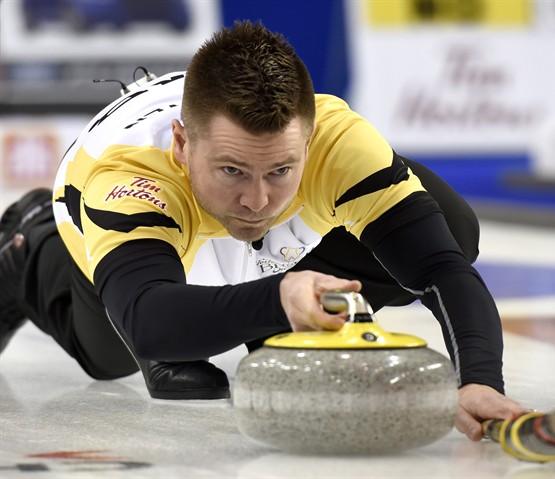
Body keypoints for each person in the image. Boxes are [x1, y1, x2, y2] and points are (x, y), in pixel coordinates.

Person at [0, 20, 527, 441]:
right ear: (184, 147)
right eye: (233, 170)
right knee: (109, 355)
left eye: (281, 170)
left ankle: (267, 317)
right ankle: (27, 240)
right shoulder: (131, 177)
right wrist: (279, 296)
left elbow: (440, 267)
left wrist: (479, 380)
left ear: (310, 138)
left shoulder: (335, 142)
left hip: (239, 199)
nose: (258, 200)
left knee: (451, 227)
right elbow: (146, 319)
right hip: (103, 210)